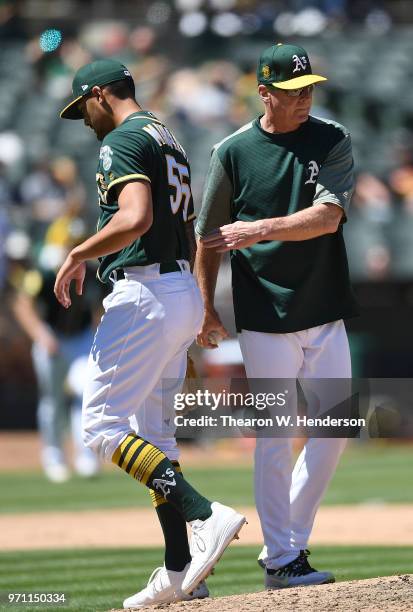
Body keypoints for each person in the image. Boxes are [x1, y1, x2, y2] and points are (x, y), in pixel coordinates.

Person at [55, 59, 246, 609]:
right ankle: (180, 569)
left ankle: (206, 515)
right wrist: (192, 312)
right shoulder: (168, 138)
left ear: (98, 95)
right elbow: (185, 229)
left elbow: (134, 216)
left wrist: (76, 252)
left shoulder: (123, 138)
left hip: (143, 294)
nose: (83, 119)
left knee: (99, 426)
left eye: (82, 108)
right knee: (156, 437)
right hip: (176, 288)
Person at [195, 43, 359, 589]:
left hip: (325, 305)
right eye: (291, 91)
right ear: (264, 92)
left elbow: (328, 217)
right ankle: (285, 556)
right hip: (264, 312)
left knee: (335, 427)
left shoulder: (332, 137)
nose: (304, 97)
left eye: (308, 87)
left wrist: (258, 228)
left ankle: (286, 543)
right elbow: (208, 238)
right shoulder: (234, 151)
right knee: (274, 434)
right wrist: (204, 308)